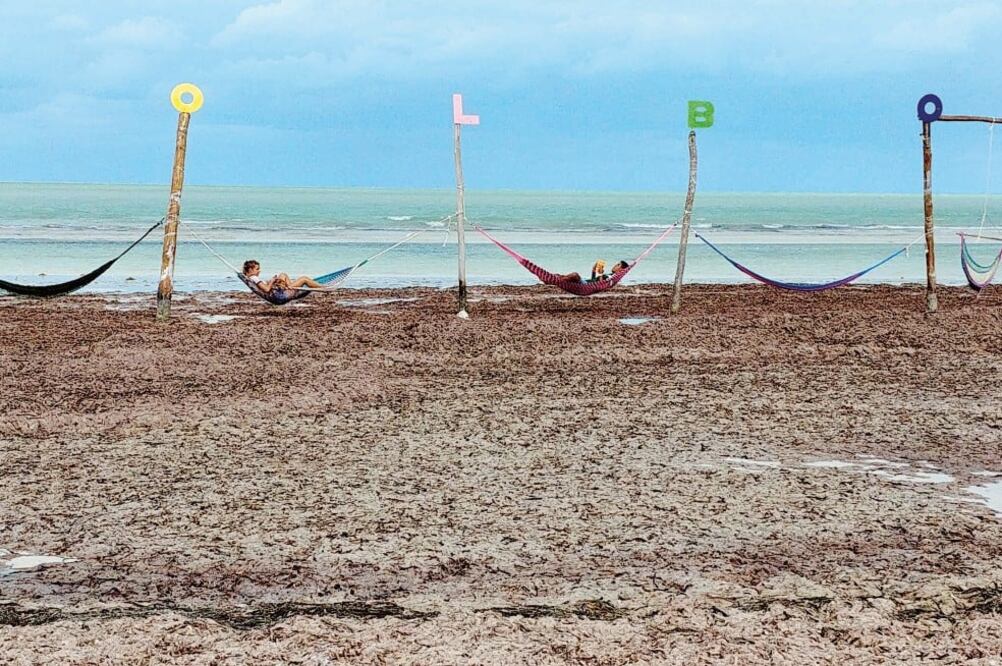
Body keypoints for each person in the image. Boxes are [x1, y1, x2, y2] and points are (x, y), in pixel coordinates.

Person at [242, 260, 323, 296]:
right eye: (257, 269)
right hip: (279, 293)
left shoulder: (251, 278)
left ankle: (290, 285)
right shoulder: (254, 278)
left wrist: (272, 281)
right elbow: (266, 289)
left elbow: (264, 287)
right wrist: (272, 281)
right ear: (250, 269)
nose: (259, 271)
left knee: (283, 275)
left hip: (278, 290)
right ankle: (323, 287)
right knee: (304, 279)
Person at [557, 259, 630, 283]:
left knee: (575, 275)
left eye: (618, 265)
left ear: (621, 269)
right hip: (586, 281)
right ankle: (557, 279)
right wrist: (594, 268)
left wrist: (601, 276)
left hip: (585, 285)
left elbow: (599, 283)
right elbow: (593, 280)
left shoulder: (612, 277)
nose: (615, 265)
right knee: (560, 275)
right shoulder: (610, 275)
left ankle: (558, 281)